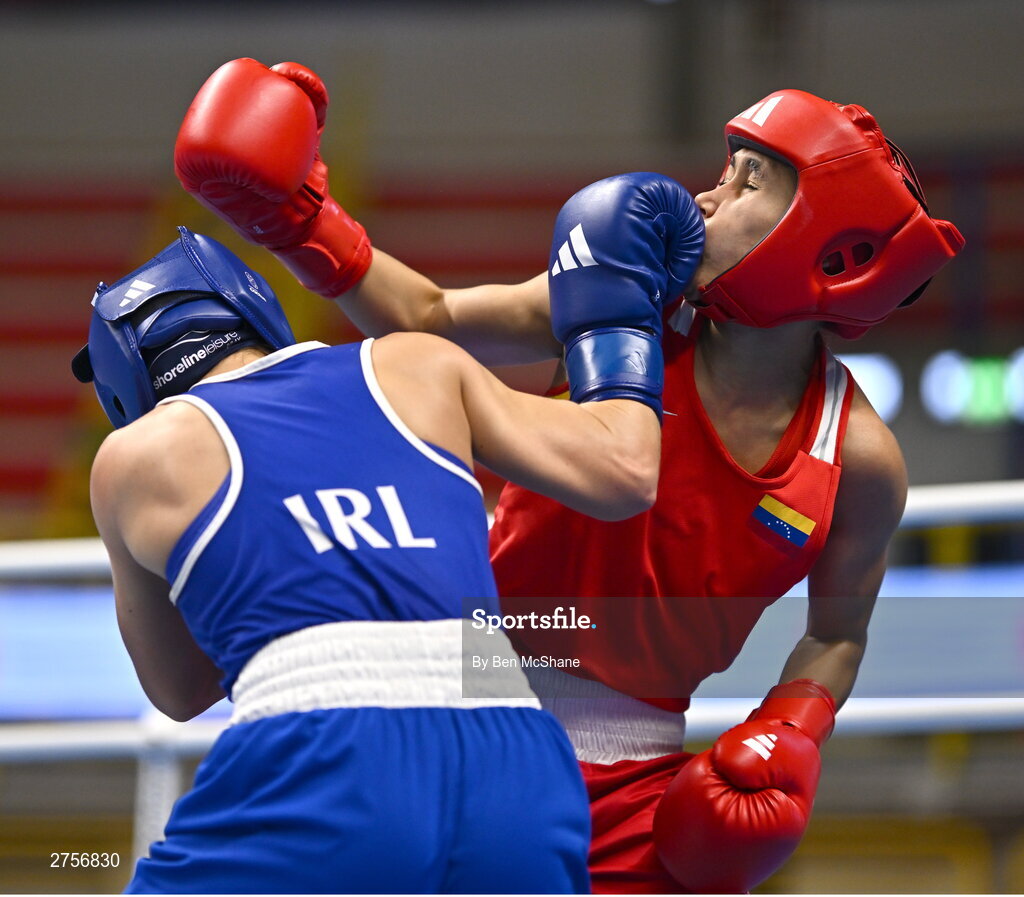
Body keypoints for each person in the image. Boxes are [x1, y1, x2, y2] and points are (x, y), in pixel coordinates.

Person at [173, 58, 965, 893]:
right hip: (470, 704)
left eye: (748, 185)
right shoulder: (622, 311)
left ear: (830, 246)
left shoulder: (858, 459)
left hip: (639, 782)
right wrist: (300, 221)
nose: (704, 200)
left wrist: (791, 725)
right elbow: (429, 317)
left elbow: (838, 632)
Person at [71, 201, 704, 890]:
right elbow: (626, 470)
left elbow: (182, 689)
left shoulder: (133, 458)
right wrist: (617, 305)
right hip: (515, 756)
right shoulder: (417, 364)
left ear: (125, 388)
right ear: (254, 310)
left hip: (321, 758)